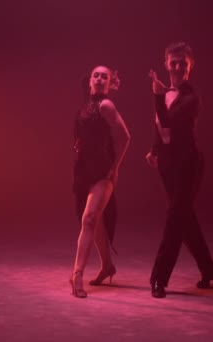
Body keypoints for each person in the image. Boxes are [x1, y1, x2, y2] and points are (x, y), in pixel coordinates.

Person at [146, 42, 213, 298]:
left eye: (183, 64)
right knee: (184, 217)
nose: (177, 67)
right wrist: (154, 151)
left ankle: (158, 278)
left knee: (175, 217)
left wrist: (155, 96)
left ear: (190, 68)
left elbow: (169, 122)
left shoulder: (191, 97)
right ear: (166, 63)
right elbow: (160, 129)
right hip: (167, 164)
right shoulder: (165, 93)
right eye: (173, 62)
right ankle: (208, 268)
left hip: (188, 164)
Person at [70, 65, 131, 298]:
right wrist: (79, 144)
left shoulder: (106, 105)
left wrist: (115, 168)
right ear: (90, 81)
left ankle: (77, 275)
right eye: (96, 75)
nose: (98, 78)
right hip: (83, 170)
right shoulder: (86, 106)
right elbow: (86, 132)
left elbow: (125, 137)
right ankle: (107, 266)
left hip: (102, 171)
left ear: (109, 84)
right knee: (94, 222)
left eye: (104, 76)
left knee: (89, 218)